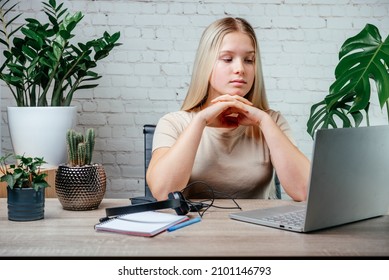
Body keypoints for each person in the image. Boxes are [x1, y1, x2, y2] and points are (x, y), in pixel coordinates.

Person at [146, 17, 310, 202]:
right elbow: (163, 193)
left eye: (249, 60)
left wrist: (264, 122)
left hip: (260, 229)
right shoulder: (173, 123)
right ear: (206, 64)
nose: (240, 68)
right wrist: (200, 121)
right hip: (193, 228)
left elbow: (304, 191)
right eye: (227, 59)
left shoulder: (272, 121)